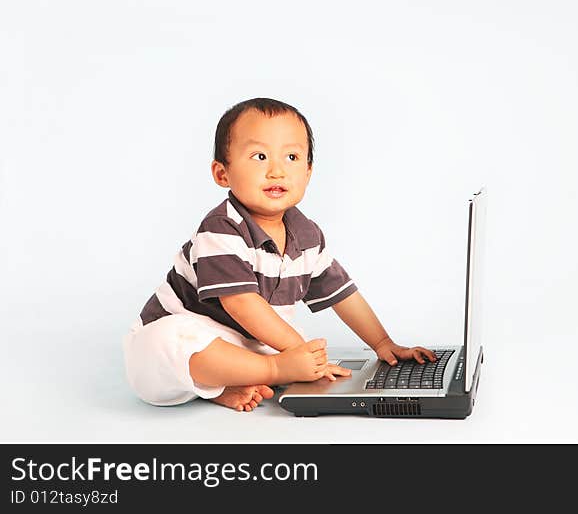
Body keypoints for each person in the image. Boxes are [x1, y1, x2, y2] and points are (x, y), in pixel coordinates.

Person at [123, 97, 436, 412]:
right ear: (222, 173)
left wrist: (383, 344)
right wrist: (293, 358)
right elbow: (242, 304)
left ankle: (227, 385)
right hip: (169, 349)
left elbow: (344, 295)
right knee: (172, 339)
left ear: (309, 172)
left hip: (244, 344)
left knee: (284, 340)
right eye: (259, 156)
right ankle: (264, 372)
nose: (276, 171)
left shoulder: (307, 235)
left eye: (291, 156)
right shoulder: (221, 228)